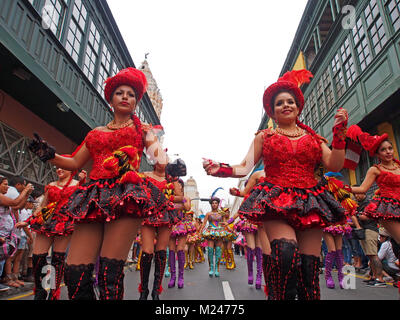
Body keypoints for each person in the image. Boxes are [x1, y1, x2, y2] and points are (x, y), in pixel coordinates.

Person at [203, 69, 349, 300]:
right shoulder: (264, 137)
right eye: (279, 103)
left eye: (290, 101)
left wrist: (339, 136)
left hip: (310, 200)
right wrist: (220, 169)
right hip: (275, 199)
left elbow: (335, 163)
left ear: (298, 107)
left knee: (309, 269)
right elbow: (244, 167)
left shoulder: (314, 139)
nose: (286, 105)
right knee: (286, 253)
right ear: (272, 110)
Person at [27, 67, 171, 300]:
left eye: (131, 94)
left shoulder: (140, 130)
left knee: (108, 276)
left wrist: (150, 137)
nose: (125, 96)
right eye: (120, 93)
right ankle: (43, 289)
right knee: (74, 275)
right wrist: (49, 154)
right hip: (93, 198)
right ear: (111, 99)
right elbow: (74, 161)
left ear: (135, 102)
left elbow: (161, 161)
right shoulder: (95, 133)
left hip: (125, 196)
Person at [16, 168, 86, 299]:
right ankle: (40, 291)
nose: (59, 169)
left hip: (64, 224)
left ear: (71, 170)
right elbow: (43, 206)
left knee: (57, 260)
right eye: (57, 167)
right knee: (38, 258)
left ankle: (54, 293)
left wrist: (83, 183)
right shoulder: (51, 185)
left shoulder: (77, 184)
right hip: (47, 222)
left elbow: (81, 201)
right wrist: (28, 221)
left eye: (62, 167)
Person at [348, 126, 400, 287]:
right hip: (388, 209)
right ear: (377, 154)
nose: (388, 152)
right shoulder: (375, 169)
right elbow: (362, 189)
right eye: (383, 150)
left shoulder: (398, 166)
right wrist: (340, 188)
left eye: (390, 148)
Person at [137, 157, 181, 300]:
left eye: (163, 158)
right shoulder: (144, 175)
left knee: (161, 252)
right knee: (147, 252)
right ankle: (143, 291)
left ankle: (156, 291)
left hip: (165, 215)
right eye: (157, 158)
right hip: (148, 214)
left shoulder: (173, 181)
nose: (159, 161)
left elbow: (181, 199)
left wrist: (168, 197)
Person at [228, 170, 270, 290]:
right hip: (249, 223)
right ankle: (251, 273)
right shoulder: (248, 198)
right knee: (251, 248)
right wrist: (229, 222)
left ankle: (258, 277)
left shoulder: (266, 195)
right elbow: (239, 211)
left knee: (260, 249)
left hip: (262, 222)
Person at [0, 175, 34, 290]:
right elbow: (15, 203)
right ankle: (7, 278)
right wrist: (25, 191)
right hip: (2, 234)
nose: (7, 187)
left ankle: (9, 278)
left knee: (4, 257)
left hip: (6, 234)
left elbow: (19, 205)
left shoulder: (5, 197)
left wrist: (27, 193)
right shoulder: (2, 196)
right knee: (8, 257)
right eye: (5, 184)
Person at [167, 180, 192, 289]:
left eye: (180, 185)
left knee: (180, 250)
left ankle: (181, 277)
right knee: (171, 250)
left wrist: (181, 198)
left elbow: (187, 208)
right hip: (170, 224)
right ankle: (173, 277)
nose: (178, 187)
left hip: (181, 225)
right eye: (175, 185)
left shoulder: (186, 197)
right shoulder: (168, 197)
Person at [199, 197, 227, 278]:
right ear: (211, 204)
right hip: (210, 232)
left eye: (216, 203)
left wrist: (228, 230)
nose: (214, 204)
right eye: (213, 203)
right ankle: (211, 267)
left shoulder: (222, 213)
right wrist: (200, 232)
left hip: (219, 232)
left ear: (218, 204)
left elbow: (225, 223)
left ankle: (217, 269)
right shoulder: (208, 214)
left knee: (218, 250)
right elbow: (204, 223)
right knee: (210, 250)